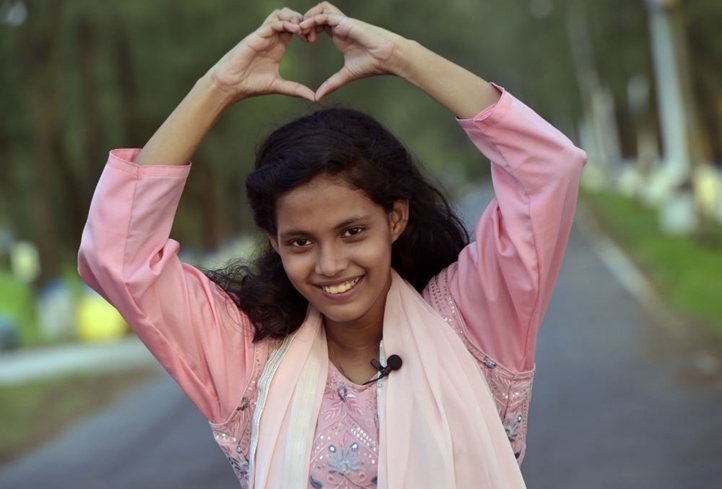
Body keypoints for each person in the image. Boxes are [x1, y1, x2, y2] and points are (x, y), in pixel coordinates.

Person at [78, 3, 586, 488]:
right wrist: (219, 86)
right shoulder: (248, 360)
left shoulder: (476, 320)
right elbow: (116, 256)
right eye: (300, 241)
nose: (330, 264)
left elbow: (548, 170)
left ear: (395, 217)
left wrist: (401, 57)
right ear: (275, 243)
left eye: (352, 232)